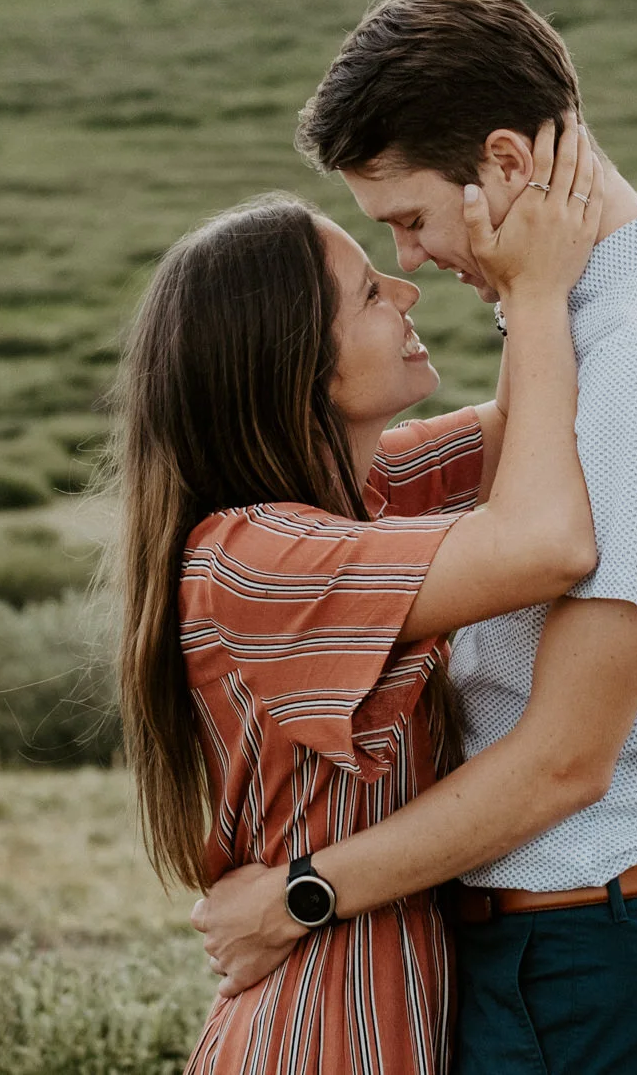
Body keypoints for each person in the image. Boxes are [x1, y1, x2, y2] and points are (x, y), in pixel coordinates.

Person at [193, 0, 637, 1075]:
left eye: (409, 220)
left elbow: (565, 759)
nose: (411, 262)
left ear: (507, 166)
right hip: (544, 945)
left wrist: (299, 898)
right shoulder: (597, 334)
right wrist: (536, 303)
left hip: (585, 953)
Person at [116, 123, 609, 1074]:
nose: (406, 289)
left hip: (382, 1010)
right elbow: (547, 541)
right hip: (325, 1033)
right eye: (370, 296)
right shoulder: (252, 556)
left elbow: (530, 433)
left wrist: (518, 253)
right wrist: (536, 293)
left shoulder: (368, 492)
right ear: (297, 360)